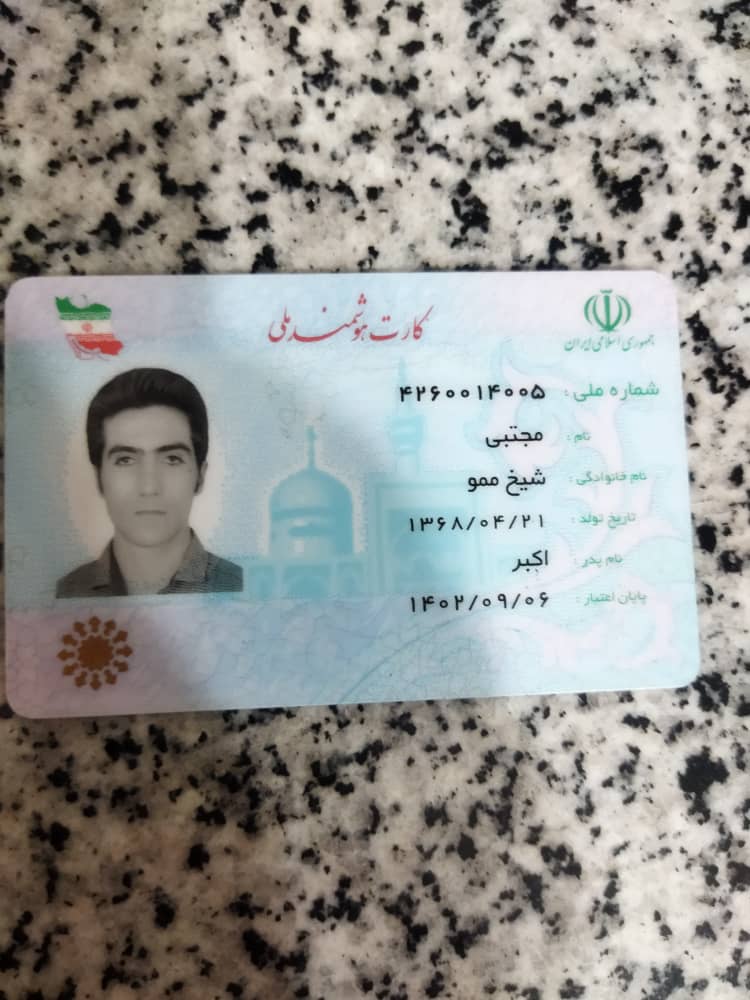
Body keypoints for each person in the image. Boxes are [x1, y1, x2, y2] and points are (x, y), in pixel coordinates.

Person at [56, 367, 243, 597]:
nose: (149, 487)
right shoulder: (65, 592)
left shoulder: (240, 587)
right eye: (125, 460)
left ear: (200, 475)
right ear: (99, 477)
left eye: (172, 459)